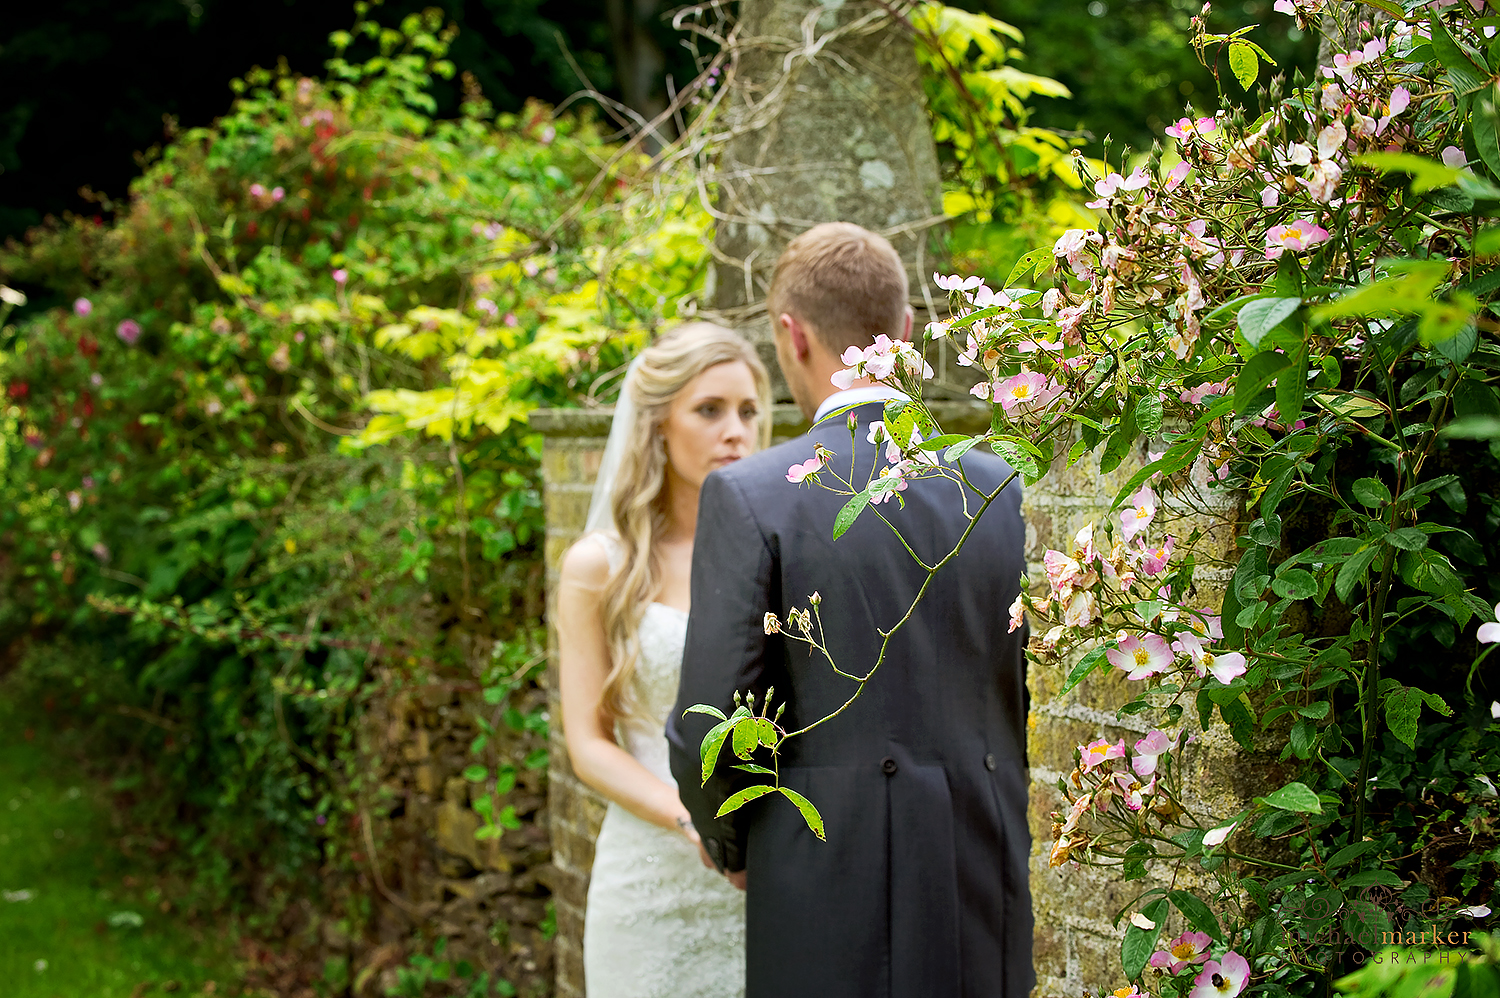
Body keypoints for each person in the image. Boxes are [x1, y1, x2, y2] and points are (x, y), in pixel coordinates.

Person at [667, 222, 1034, 998]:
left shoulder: (750, 494)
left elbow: (712, 713)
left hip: (825, 890)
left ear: (791, 335)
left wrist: (730, 840)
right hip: (980, 881)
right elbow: (1012, 690)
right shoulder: (997, 488)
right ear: (903, 331)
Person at [556, 322, 771, 998]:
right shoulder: (600, 567)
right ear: (657, 425)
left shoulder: (780, 552)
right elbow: (588, 744)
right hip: (649, 881)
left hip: (765, 880)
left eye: (747, 411)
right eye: (709, 410)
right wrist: (690, 820)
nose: (735, 431)